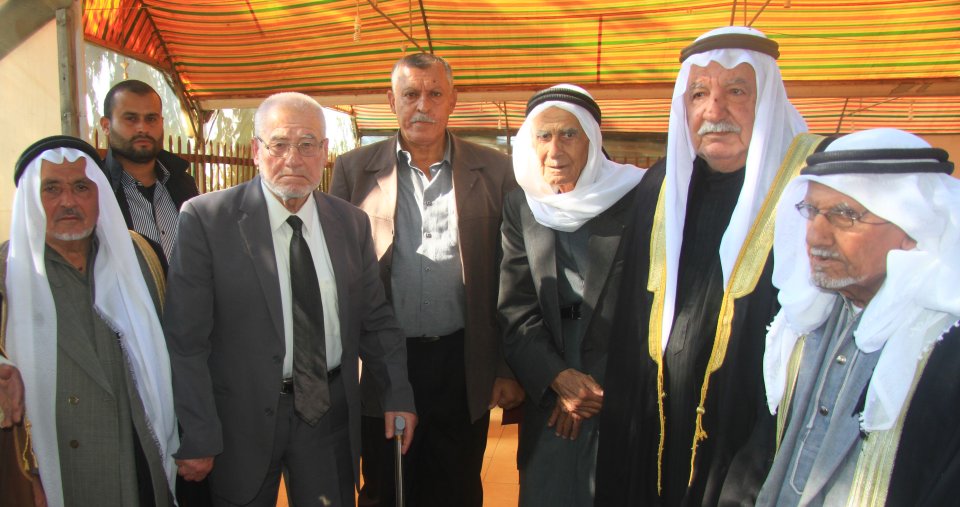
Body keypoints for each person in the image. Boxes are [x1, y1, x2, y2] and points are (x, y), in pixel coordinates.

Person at [163, 92, 416, 507]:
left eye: (307, 144)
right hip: (239, 424)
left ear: (325, 152)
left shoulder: (350, 224)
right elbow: (186, 340)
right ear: (256, 151)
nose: (293, 159)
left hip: (327, 417)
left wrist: (398, 394)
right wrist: (198, 430)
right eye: (279, 144)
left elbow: (376, 321)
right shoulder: (207, 220)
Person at [596, 26, 810, 506]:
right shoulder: (660, 187)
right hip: (659, 429)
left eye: (736, 91)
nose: (714, 111)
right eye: (698, 94)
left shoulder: (804, 192)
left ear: (767, 100)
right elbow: (629, 321)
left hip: (746, 438)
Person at [330, 52, 524, 506]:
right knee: (386, 487)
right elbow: (337, 276)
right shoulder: (354, 170)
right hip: (382, 361)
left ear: (453, 100)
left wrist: (505, 367)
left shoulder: (496, 171)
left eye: (435, 93)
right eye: (411, 94)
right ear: (391, 100)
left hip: (461, 361)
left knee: (456, 486)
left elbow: (514, 274)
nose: (423, 105)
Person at [756, 128, 960, 506]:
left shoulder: (944, 346)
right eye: (812, 211)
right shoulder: (807, 315)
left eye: (845, 215)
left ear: (913, 227)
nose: (815, 237)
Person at [0, 135, 178, 506]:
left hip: (139, 457)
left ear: (99, 195)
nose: (68, 201)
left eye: (81, 187)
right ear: (31, 199)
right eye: (52, 189)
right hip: (56, 470)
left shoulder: (139, 259)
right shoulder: (5, 272)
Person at [497, 84, 646, 506]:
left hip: (619, 385)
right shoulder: (522, 206)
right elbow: (515, 308)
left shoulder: (638, 198)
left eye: (569, 134)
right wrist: (559, 378)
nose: (555, 150)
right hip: (548, 379)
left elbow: (651, 305)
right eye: (544, 136)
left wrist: (591, 390)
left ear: (592, 141)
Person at [100, 79, 200, 261]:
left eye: (151, 119)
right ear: (106, 126)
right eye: (131, 119)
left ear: (161, 122)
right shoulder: (98, 190)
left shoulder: (183, 184)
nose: (142, 128)